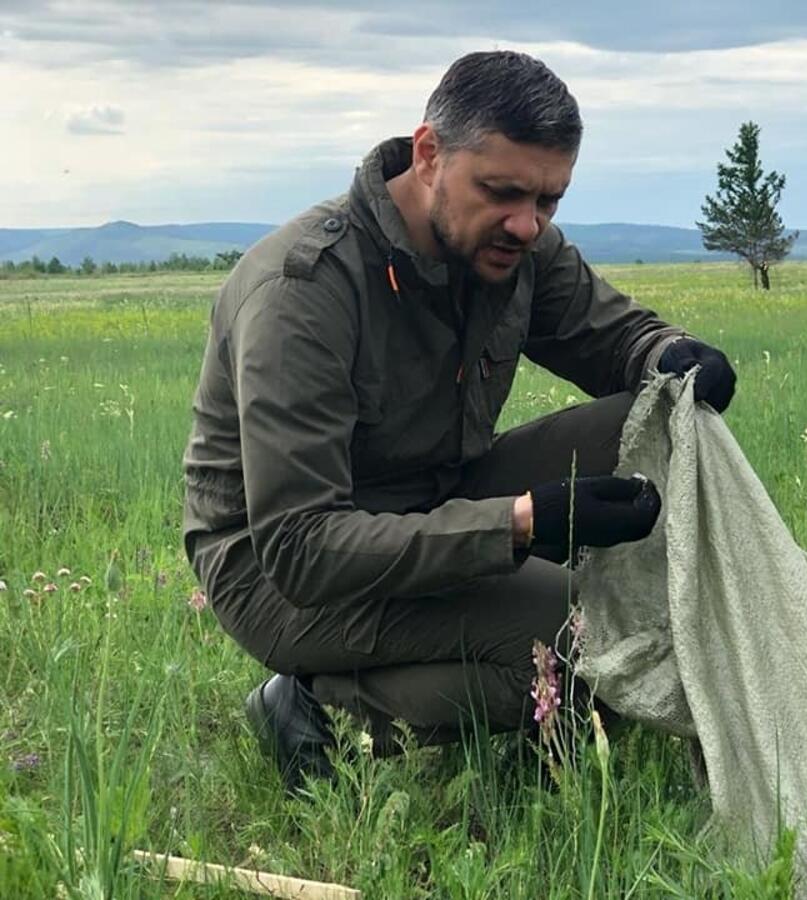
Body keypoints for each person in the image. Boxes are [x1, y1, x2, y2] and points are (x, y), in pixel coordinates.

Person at [181, 50, 736, 790]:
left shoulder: (518, 243)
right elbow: (301, 545)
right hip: (280, 573)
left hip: (433, 494)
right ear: (429, 154)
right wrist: (520, 525)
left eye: (549, 202)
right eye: (502, 191)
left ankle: (558, 666)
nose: (527, 223)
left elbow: (614, 338)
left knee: (659, 421)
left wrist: (672, 355)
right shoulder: (302, 293)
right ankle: (320, 713)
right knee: (583, 636)